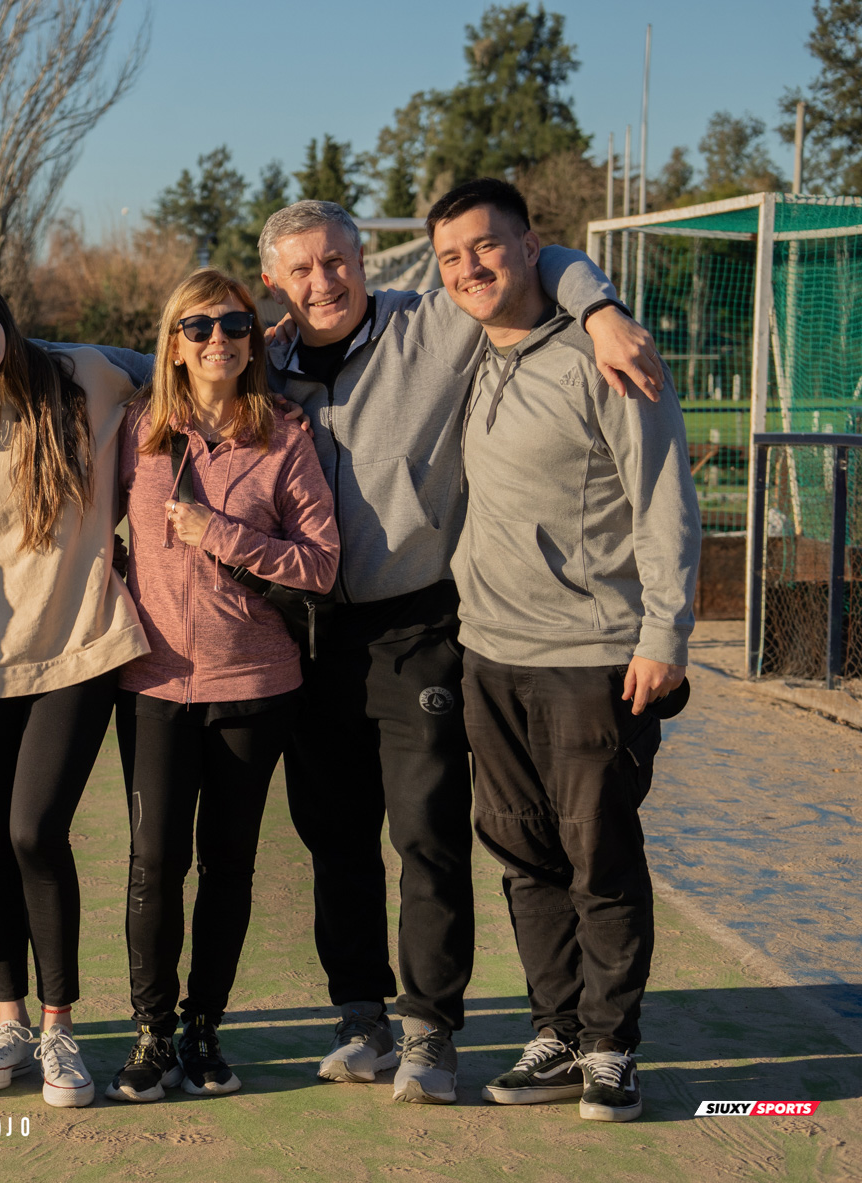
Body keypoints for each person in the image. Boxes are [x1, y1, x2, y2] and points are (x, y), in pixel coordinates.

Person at [253, 200, 664, 1105]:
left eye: (337, 261)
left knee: (430, 834)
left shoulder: (432, 320)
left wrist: (599, 308)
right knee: (334, 839)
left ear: (364, 260)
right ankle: (359, 1015)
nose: (323, 282)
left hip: (420, 628)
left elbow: (534, 255)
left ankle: (430, 1031)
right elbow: (159, 365)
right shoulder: (258, 363)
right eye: (302, 269)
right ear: (275, 282)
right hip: (310, 635)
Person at [428, 179, 697, 1123]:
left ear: (530, 245)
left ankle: (613, 1045)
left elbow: (665, 495)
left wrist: (664, 633)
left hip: (592, 654)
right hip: (486, 652)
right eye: (452, 255)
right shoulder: (460, 346)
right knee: (521, 851)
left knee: (600, 855)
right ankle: (558, 1029)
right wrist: (594, 287)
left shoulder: (607, 356)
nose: (471, 267)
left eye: (487, 247)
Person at [0, 267, 149, 1108]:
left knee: (35, 829)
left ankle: (59, 1029)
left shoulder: (91, 372)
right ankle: (8, 1019)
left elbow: (195, 373)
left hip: (82, 646)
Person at [106, 270, 338, 1103]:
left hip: (255, 681)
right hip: (155, 681)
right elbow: (98, 538)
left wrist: (225, 534)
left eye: (235, 325)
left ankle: (205, 1025)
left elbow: (320, 562)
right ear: (173, 341)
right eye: (198, 327)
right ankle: (150, 1031)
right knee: (153, 860)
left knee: (228, 864)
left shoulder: (283, 433)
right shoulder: (138, 431)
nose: (218, 340)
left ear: (252, 338)